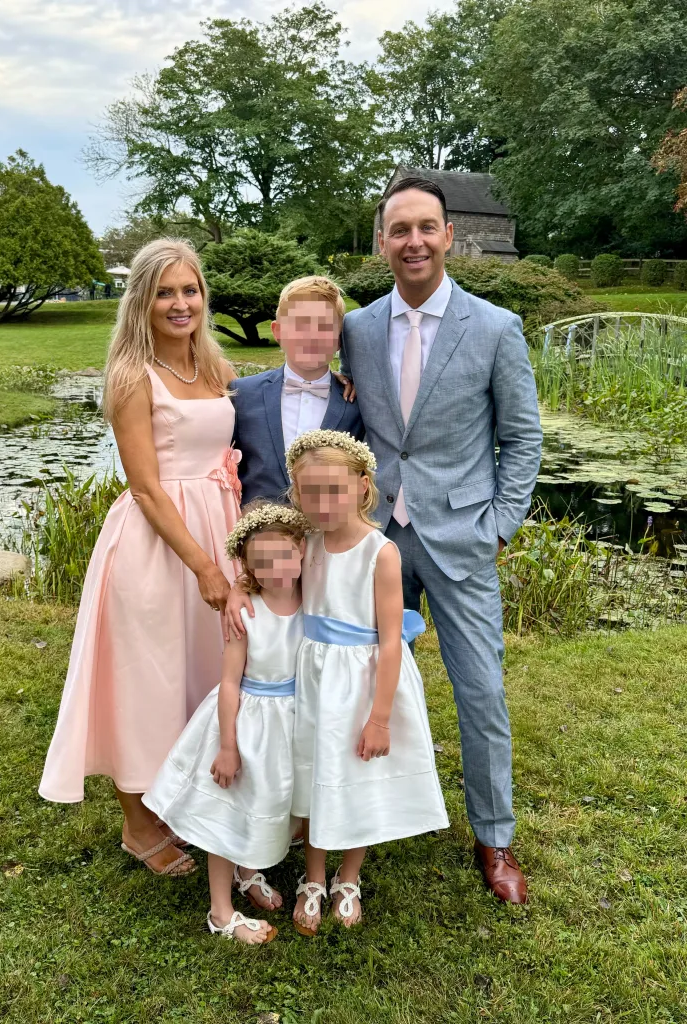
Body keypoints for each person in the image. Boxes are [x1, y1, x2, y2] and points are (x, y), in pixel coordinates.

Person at [339, 176, 543, 903]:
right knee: (357, 680)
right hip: (376, 539)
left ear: (449, 236)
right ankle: (351, 818)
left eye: (426, 227)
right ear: (382, 242)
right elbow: (344, 413)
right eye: (399, 229)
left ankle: (495, 838)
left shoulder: (495, 328)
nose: (414, 241)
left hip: (461, 537)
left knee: (481, 691)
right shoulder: (358, 328)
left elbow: (522, 438)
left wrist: (500, 525)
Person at [39, 238, 241, 878]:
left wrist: (335, 380)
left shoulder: (215, 366)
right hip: (159, 544)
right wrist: (203, 565)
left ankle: (180, 798)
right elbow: (148, 487)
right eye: (164, 293)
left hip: (219, 526)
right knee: (145, 679)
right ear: (142, 303)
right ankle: (136, 823)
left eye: (190, 290)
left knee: (202, 671)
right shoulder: (132, 376)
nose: (181, 303)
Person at [286, 430, 449, 935]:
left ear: (361, 485)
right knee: (315, 771)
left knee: (356, 776)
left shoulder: (381, 553)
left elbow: (391, 642)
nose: (323, 504)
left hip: (360, 683)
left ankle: (349, 875)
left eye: (333, 491)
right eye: (310, 493)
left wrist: (379, 718)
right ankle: (314, 876)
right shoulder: (308, 544)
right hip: (315, 680)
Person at [144, 502, 310, 944]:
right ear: (248, 567)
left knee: (268, 801)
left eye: (284, 556)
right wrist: (228, 746)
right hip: (247, 720)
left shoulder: (312, 597)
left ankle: (247, 869)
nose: (276, 569)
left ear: (301, 549)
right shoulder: (245, 612)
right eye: (262, 562)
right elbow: (231, 683)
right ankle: (220, 910)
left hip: (290, 723)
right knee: (227, 812)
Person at [232, 275, 363, 505]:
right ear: (277, 332)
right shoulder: (242, 394)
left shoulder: (355, 403)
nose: (312, 335)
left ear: (339, 340)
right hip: (258, 524)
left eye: (324, 326)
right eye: (300, 324)